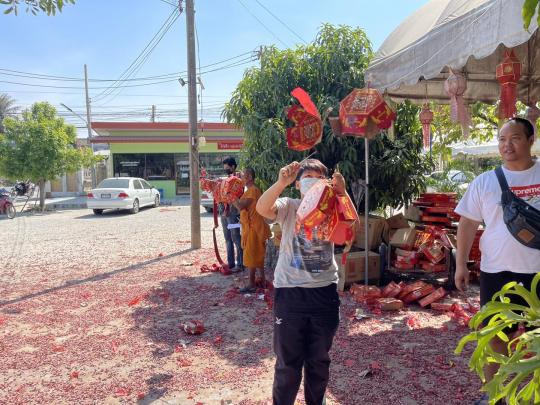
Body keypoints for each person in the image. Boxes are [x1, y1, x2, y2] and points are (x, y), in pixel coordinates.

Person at [454, 117, 540, 405]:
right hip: (497, 272)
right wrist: (460, 264)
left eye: (514, 138)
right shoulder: (485, 181)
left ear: (531, 140)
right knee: (493, 335)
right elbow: (467, 224)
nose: (507, 145)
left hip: (538, 274)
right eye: (502, 139)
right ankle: (493, 395)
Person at [256, 158, 346, 405]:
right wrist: (280, 182)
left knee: (319, 361)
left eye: (318, 178)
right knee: (288, 364)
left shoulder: (333, 207)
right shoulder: (290, 207)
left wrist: (342, 192)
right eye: (307, 178)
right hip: (290, 294)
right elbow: (263, 209)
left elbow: (350, 230)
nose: (312, 182)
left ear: (326, 183)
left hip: (324, 294)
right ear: (298, 184)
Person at [232, 168, 271, 293]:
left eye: (242, 176)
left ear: (249, 177)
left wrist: (230, 195)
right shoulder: (250, 190)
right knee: (257, 255)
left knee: (252, 256)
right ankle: (263, 281)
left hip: (254, 228)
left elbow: (240, 206)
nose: (241, 179)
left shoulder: (253, 190)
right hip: (253, 227)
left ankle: (251, 284)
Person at [220, 156, 243, 272]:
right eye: (224, 167)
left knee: (236, 238)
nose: (225, 169)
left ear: (233, 167)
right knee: (227, 238)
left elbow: (237, 196)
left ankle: (240, 263)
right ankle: (231, 264)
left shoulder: (239, 179)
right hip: (224, 213)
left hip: (233, 214)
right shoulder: (225, 180)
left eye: (227, 167)